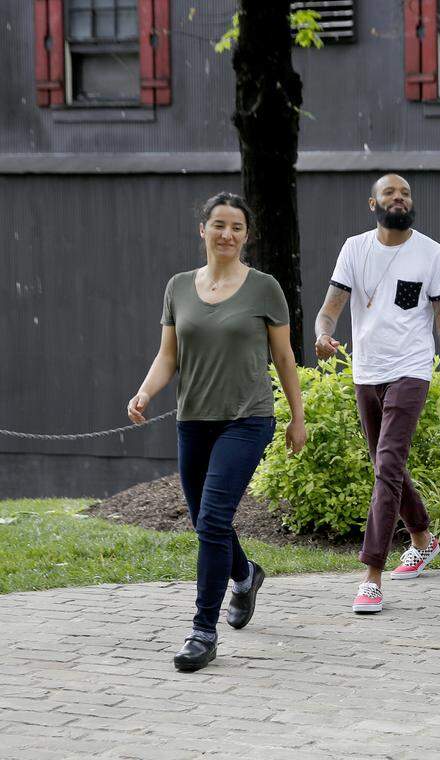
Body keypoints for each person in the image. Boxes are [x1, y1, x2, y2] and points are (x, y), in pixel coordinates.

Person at [127, 193, 307, 673]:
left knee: (211, 519)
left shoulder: (265, 288)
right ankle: (245, 576)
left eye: (237, 228)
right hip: (193, 421)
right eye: (219, 225)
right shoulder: (178, 287)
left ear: (246, 236)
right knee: (207, 520)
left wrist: (297, 416)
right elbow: (169, 355)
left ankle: (202, 632)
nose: (227, 234)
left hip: (247, 419)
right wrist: (145, 394)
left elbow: (285, 358)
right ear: (202, 230)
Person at [313, 174, 440, 614]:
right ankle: (422, 538)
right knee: (385, 463)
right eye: (390, 193)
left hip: (411, 369)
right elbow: (331, 308)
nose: (399, 199)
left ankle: (371, 575)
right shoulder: (355, 249)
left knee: (388, 463)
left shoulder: (431, 253)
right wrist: (322, 335)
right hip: (366, 371)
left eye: (406, 193)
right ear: (372, 202)